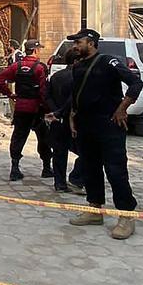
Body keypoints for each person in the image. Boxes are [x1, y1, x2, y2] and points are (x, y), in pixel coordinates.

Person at [63, 29, 141, 239]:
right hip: (86, 125)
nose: (75, 47)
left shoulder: (108, 62)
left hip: (108, 125)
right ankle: (95, 208)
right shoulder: (78, 66)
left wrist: (123, 107)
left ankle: (126, 216)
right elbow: (76, 95)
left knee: (115, 171)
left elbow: (136, 83)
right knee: (90, 169)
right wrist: (72, 117)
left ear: (91, 42)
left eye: (78, 42)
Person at [0, 39, 52, 182]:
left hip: (21, 107)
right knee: (43, 138)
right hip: (37, 108)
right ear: (35, 50)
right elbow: (44, 91)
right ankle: (46, 168)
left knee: (18, 137)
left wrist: (9, 94)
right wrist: (48, 108)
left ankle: (15, 168)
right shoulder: (40, 68)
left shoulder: (16, 66)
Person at [44, 49, 85, 195]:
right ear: (76, 61)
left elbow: (47, 95)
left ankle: (59, 183)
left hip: (57, 119)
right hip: (74, 120)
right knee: (86, 152)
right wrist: (61, 112)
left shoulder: (55, 76)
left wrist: (55, 111)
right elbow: (73, 100)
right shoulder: (79, 77)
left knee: (59, 153)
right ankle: (76, 178)